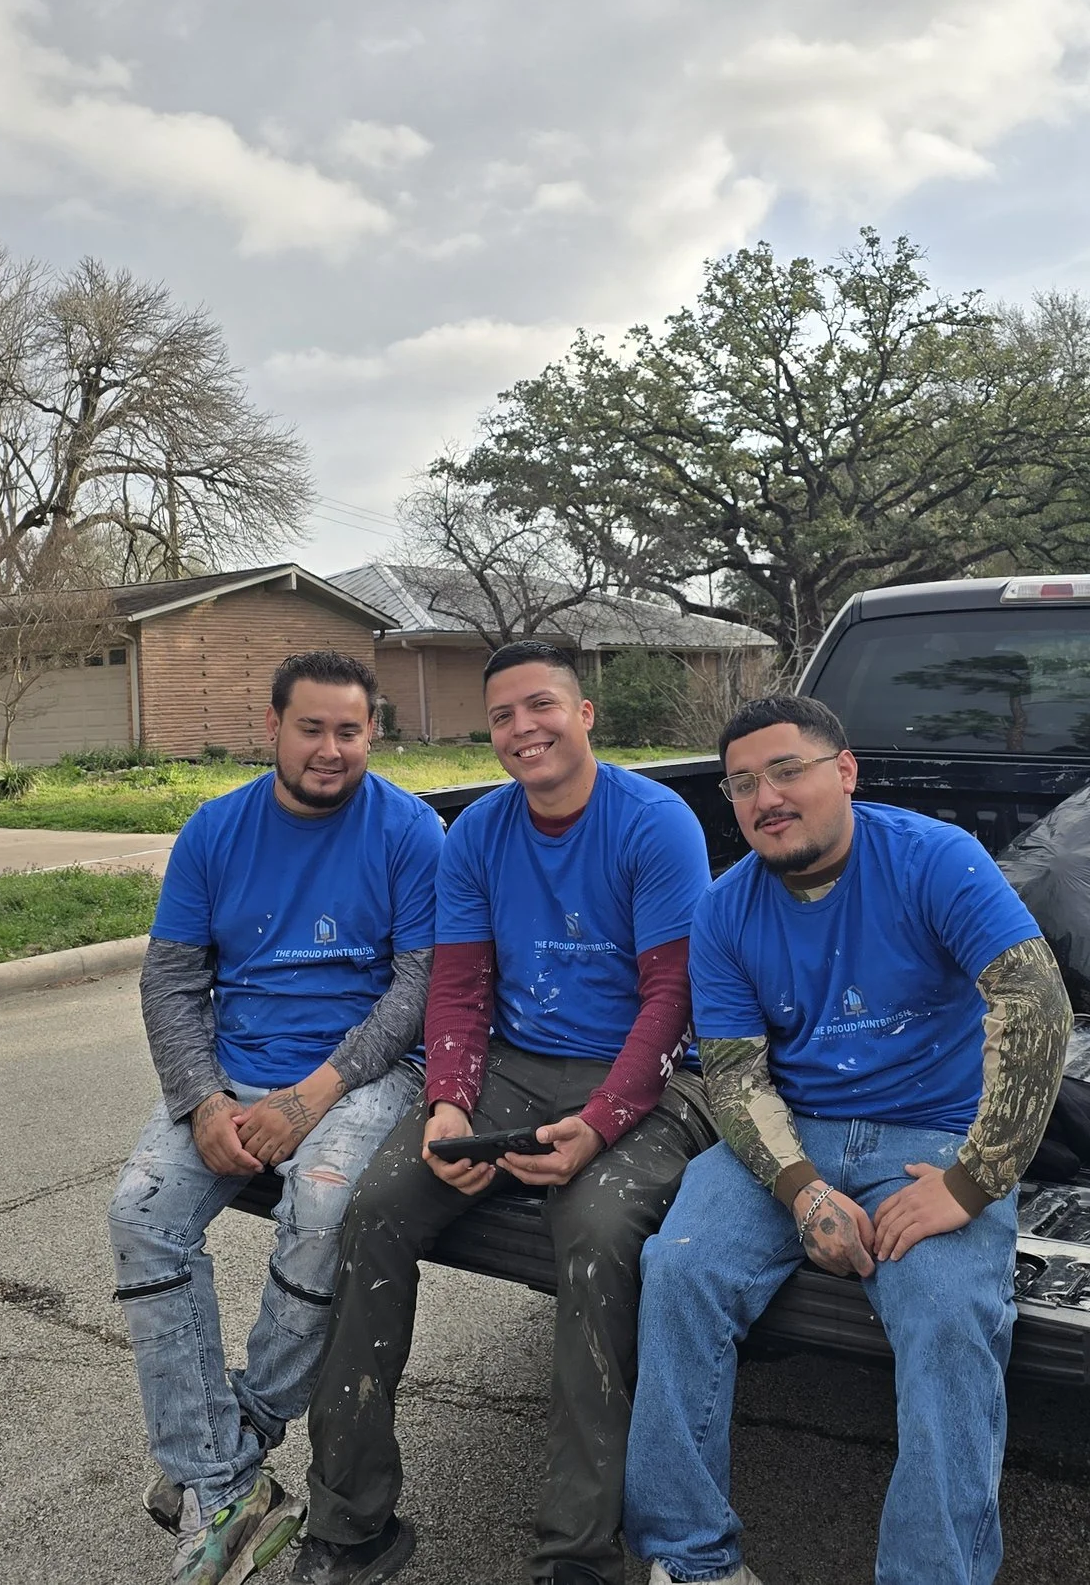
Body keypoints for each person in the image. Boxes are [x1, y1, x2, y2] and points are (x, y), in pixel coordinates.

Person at [292, 640, 716, 1585]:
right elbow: (458, 987)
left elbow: (672, 1000)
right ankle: (352, 1519)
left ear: (585, 713)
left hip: (648, 1073)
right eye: (503, 717)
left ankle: (577, 1554)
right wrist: (446, 1101)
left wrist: (602, 1123)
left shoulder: (656, 824)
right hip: (512, 1068)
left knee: (598, 1233)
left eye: (542, 707)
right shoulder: (479, 834)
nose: (523, 729)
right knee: (378, 1207)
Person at [624, 694, 1071, 1585]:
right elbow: (737, 1077)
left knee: (949, 1316)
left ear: (845, 770)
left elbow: (1036, 1005)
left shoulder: (933, 857)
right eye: (744, 783)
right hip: (798, 1134)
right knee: (677, 1267)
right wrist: (800, 1189)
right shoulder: (724, 909)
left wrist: (973, 1183)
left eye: (788, 770)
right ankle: (692, 1559)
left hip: (934, 1139)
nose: (767, 796)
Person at [108, 650, 444, 1585]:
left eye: (350, 729)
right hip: (232, 1069)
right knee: (139, 1215)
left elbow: (418, 989)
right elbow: (172, 978)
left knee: (326, 1204)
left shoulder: (412, 832)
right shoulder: (215, 831)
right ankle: (225, 1483)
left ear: (372, 731)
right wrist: (201, 1097)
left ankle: (242, 1431)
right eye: (312, 727)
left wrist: (317, 1093)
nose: (331, 749)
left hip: (360, 1075)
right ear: (274, 728)